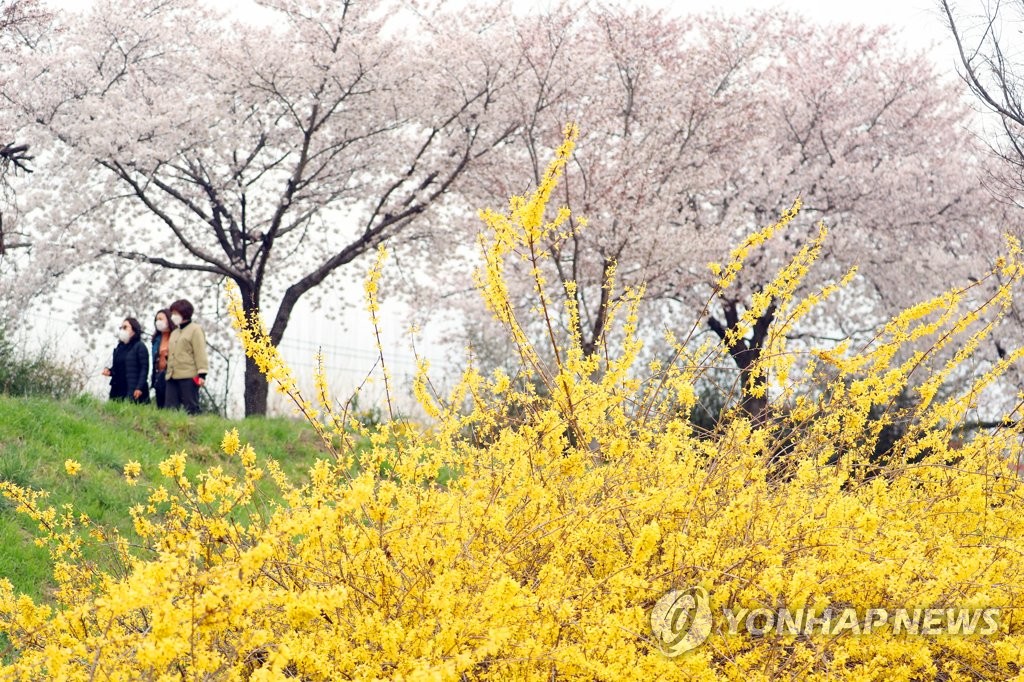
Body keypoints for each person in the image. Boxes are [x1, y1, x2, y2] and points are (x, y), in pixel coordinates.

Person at [165, 299, 208, 415]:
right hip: (172, 376)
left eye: (175, 313)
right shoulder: (174, 332)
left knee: (191, 408)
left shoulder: (195, 329)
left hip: (189, 376)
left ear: (184, 313)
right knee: (170, 410)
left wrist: (202, 373)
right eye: (172, 313)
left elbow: (200, 352)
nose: (173, 316)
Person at [101, 317, 150, 404]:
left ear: (134, 330)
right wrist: (110, 371)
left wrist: (139, 387)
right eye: (121, 328)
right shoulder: (120, 347)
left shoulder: (140, 346)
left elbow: (144, 369)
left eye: (125, 327)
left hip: (132, 388)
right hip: (117, 388)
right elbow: (118, 368)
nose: (122, 330)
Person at [150, 308, 175, 408]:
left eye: (161, 319)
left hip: (171, 376)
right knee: (160, 405)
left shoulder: (175, 336)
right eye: (156, 319)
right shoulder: (156, 339)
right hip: (158, 375)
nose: (158, 322)